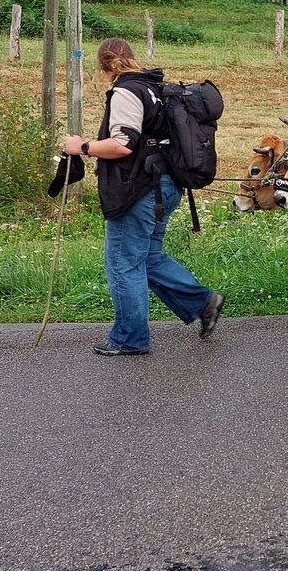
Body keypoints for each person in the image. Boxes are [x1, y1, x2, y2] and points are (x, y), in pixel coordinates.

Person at [61, 38, 223, 356]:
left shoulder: (126, 91)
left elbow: (123, 143)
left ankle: (129, 338)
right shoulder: (154, 87)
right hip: (165, 185)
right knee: (147, 256)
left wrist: (81, 147)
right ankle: (202, 302)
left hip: (139, 189)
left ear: (104, 67)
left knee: (123, 263)